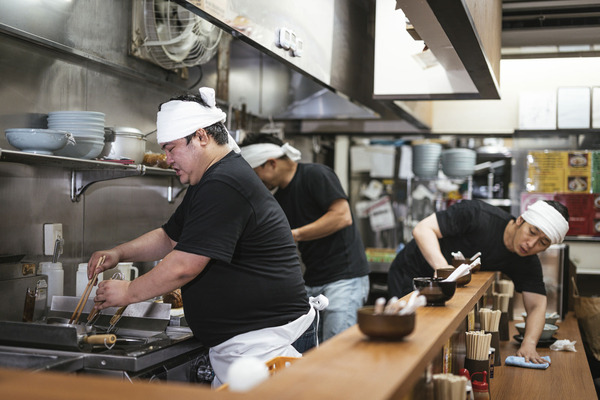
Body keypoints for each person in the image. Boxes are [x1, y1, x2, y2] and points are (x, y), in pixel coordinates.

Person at [87, 87, 318, 387]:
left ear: (201, 137)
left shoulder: (224, 182)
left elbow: (185, 264)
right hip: (249, 346)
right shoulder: (209, 179)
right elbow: (170, 237)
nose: (167, 158)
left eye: (171, 148)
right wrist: (119, 253)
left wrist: (128, 292)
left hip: (267, 345)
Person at [387, 199, 569, 364]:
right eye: (532, 232)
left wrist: (529, 344)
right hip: (411, 275)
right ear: (521, 220)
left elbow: (537, 304)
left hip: (445, 292)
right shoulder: (476, 214)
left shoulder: (526, 259)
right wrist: (445, 271)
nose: (531, 244)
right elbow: (422, 229)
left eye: (543, 242)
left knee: (427, 339)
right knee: (403, 337)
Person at [240, 133, 370, 342]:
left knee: (337, 352)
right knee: (314, 351)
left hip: (344, 280)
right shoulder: (278, 198)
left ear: (271, 163)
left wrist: (295, 234)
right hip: (312, 281)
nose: (257, 182)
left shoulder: (316, 174)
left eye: (256, 174)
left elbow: (342, 216)